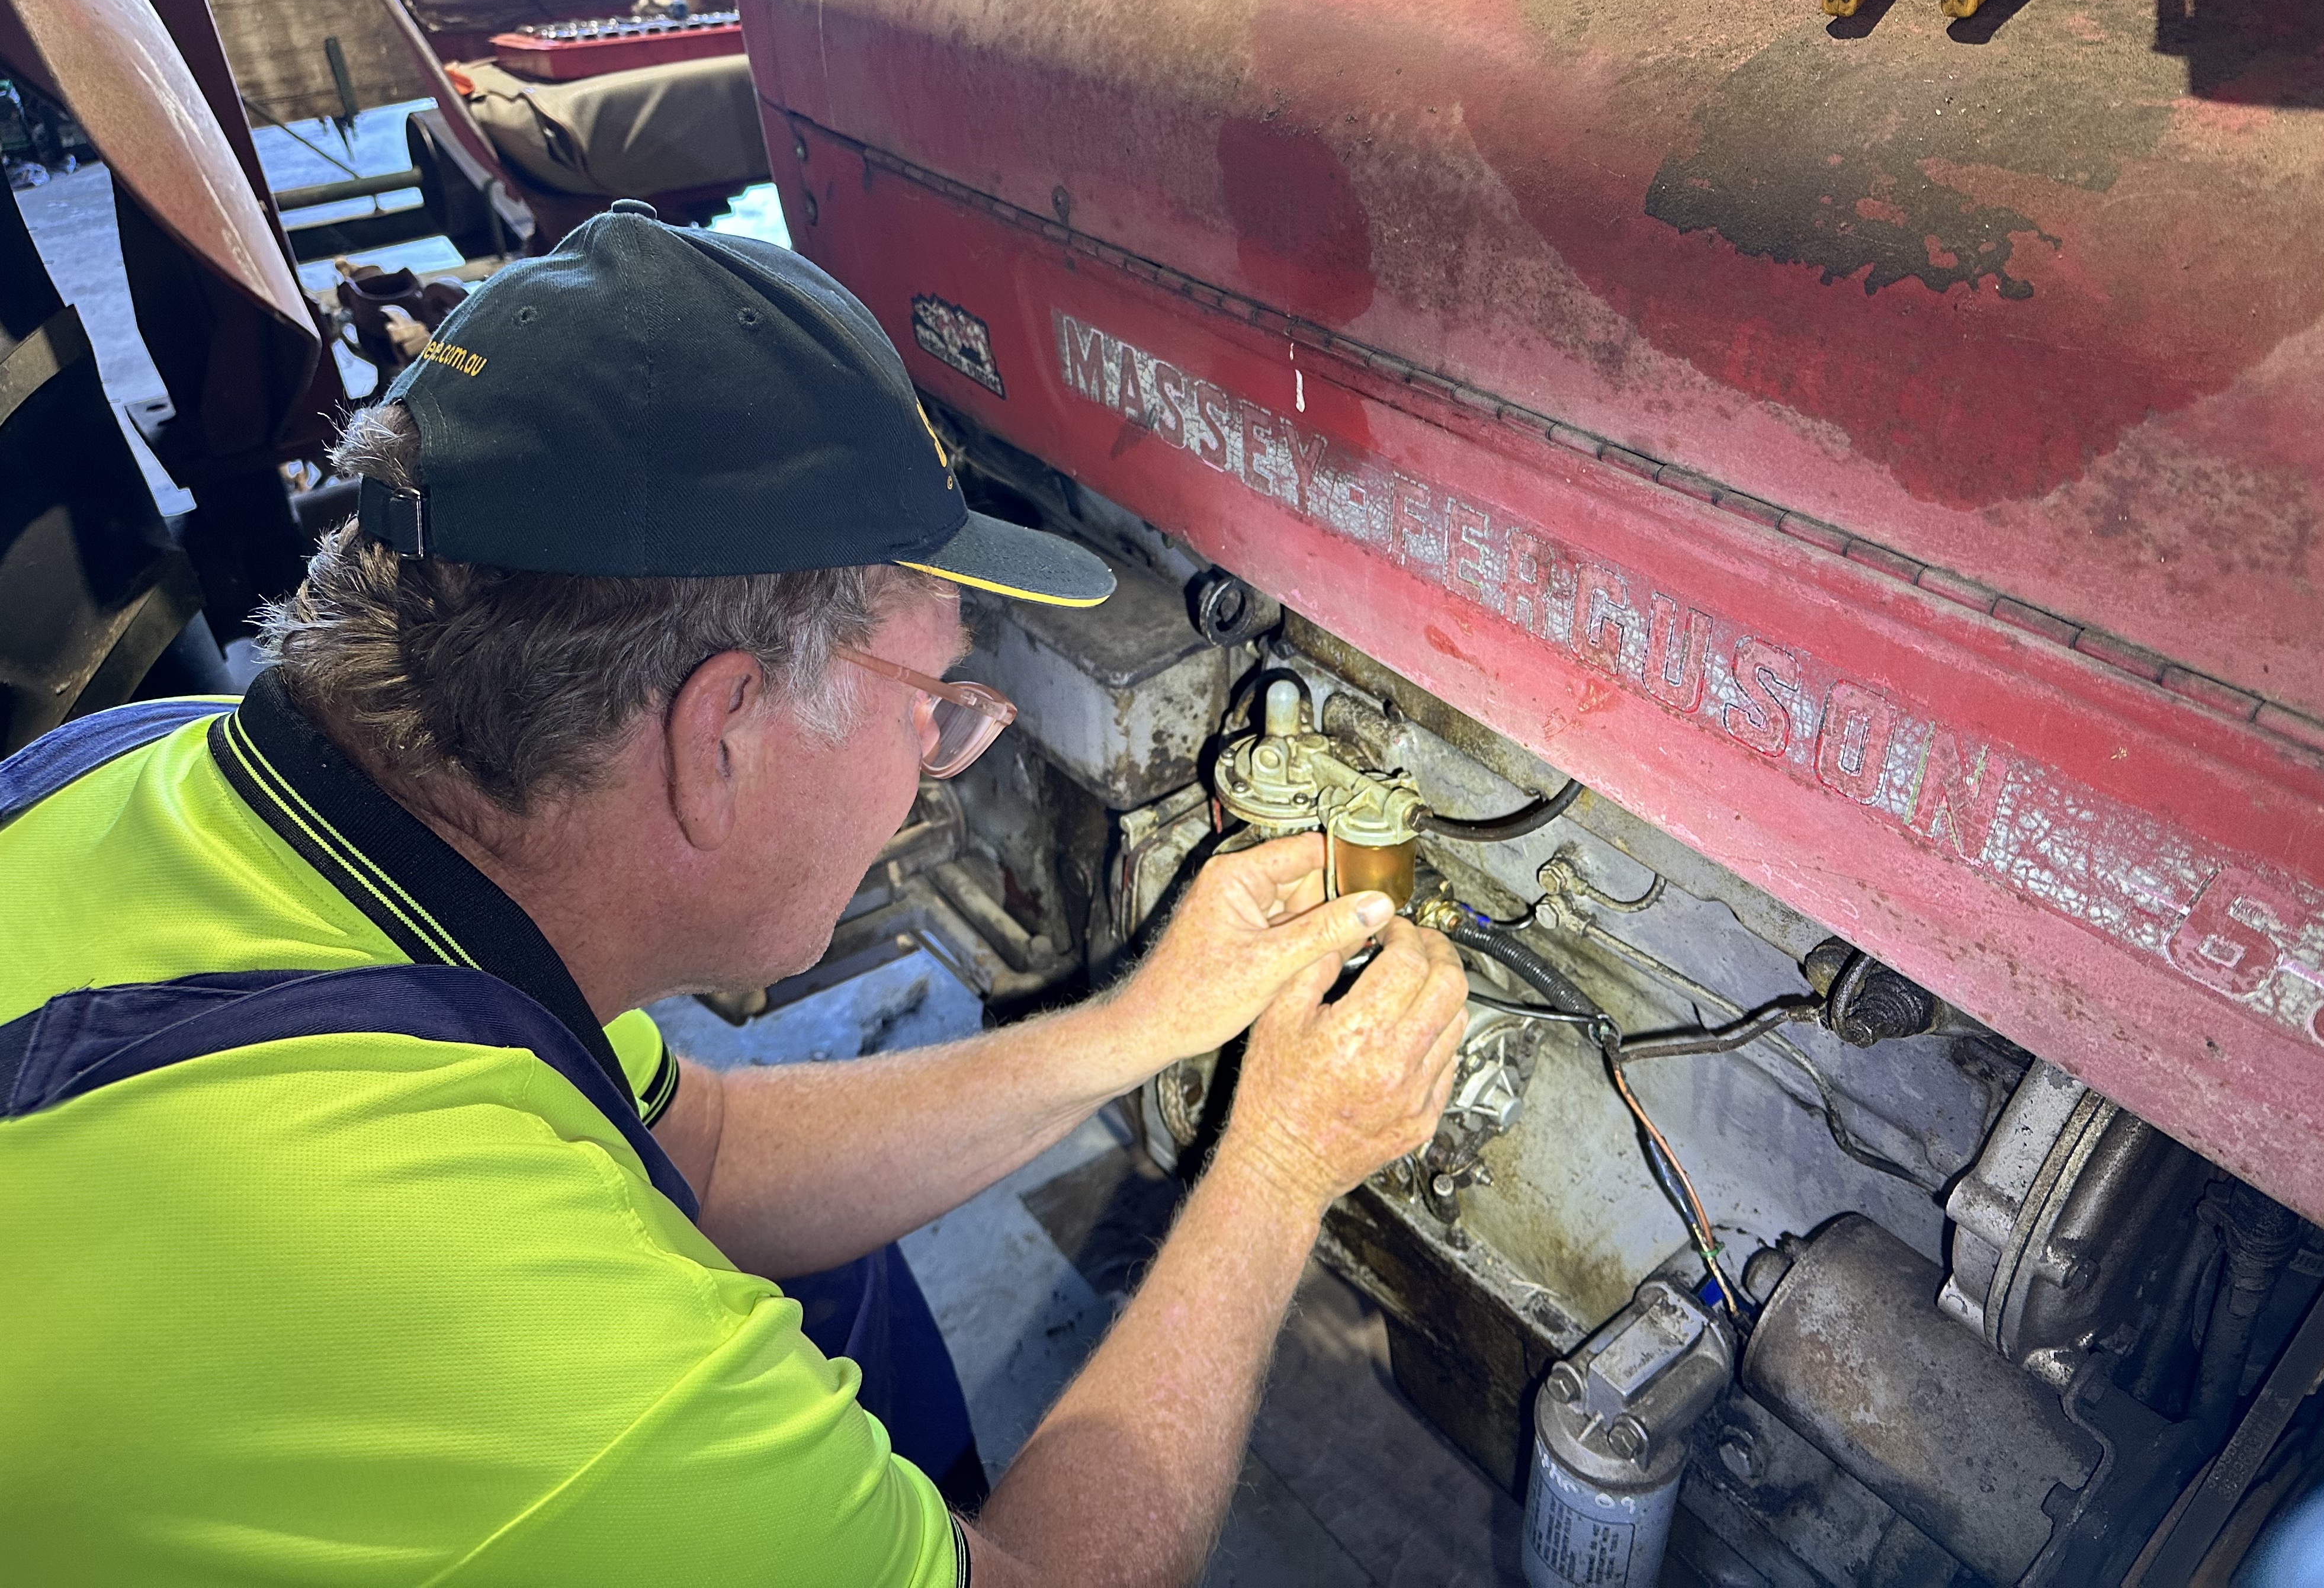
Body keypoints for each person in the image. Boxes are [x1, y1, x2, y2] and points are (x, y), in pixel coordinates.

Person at [0, 200, 1470, 1587]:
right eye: (934, 703)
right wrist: (1280, 1166)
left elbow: (702, 1153)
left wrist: (1147, 1021)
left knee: (835, 1293)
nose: (937, 763)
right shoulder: (491, 1312)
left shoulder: (191, 782)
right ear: (720, 739)